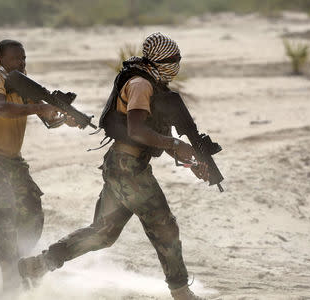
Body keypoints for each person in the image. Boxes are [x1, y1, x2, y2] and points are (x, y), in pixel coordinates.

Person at [18, 33, 209, 300]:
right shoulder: (141, 84)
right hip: (127, 167)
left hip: (124, 165)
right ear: (160, 61)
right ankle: (180, 292)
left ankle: (39, 265)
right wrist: (177, 145)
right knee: (164, 226)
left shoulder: (149, 82)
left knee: (103, 233)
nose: (177, 64)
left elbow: (151, 135)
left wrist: (190, 160)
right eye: (173, 59)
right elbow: (137, 129)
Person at [0, 39, 75, 291]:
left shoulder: (22, 82)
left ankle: (21, 263)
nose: (22, 62)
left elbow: (46, 117)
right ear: (1, 58)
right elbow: (1, 108)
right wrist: (40, 106)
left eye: (24, 58)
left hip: (12, 161)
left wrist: (64, 118)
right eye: (17, 58)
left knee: (32, 212)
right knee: (4, 212)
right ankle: (9, 281)